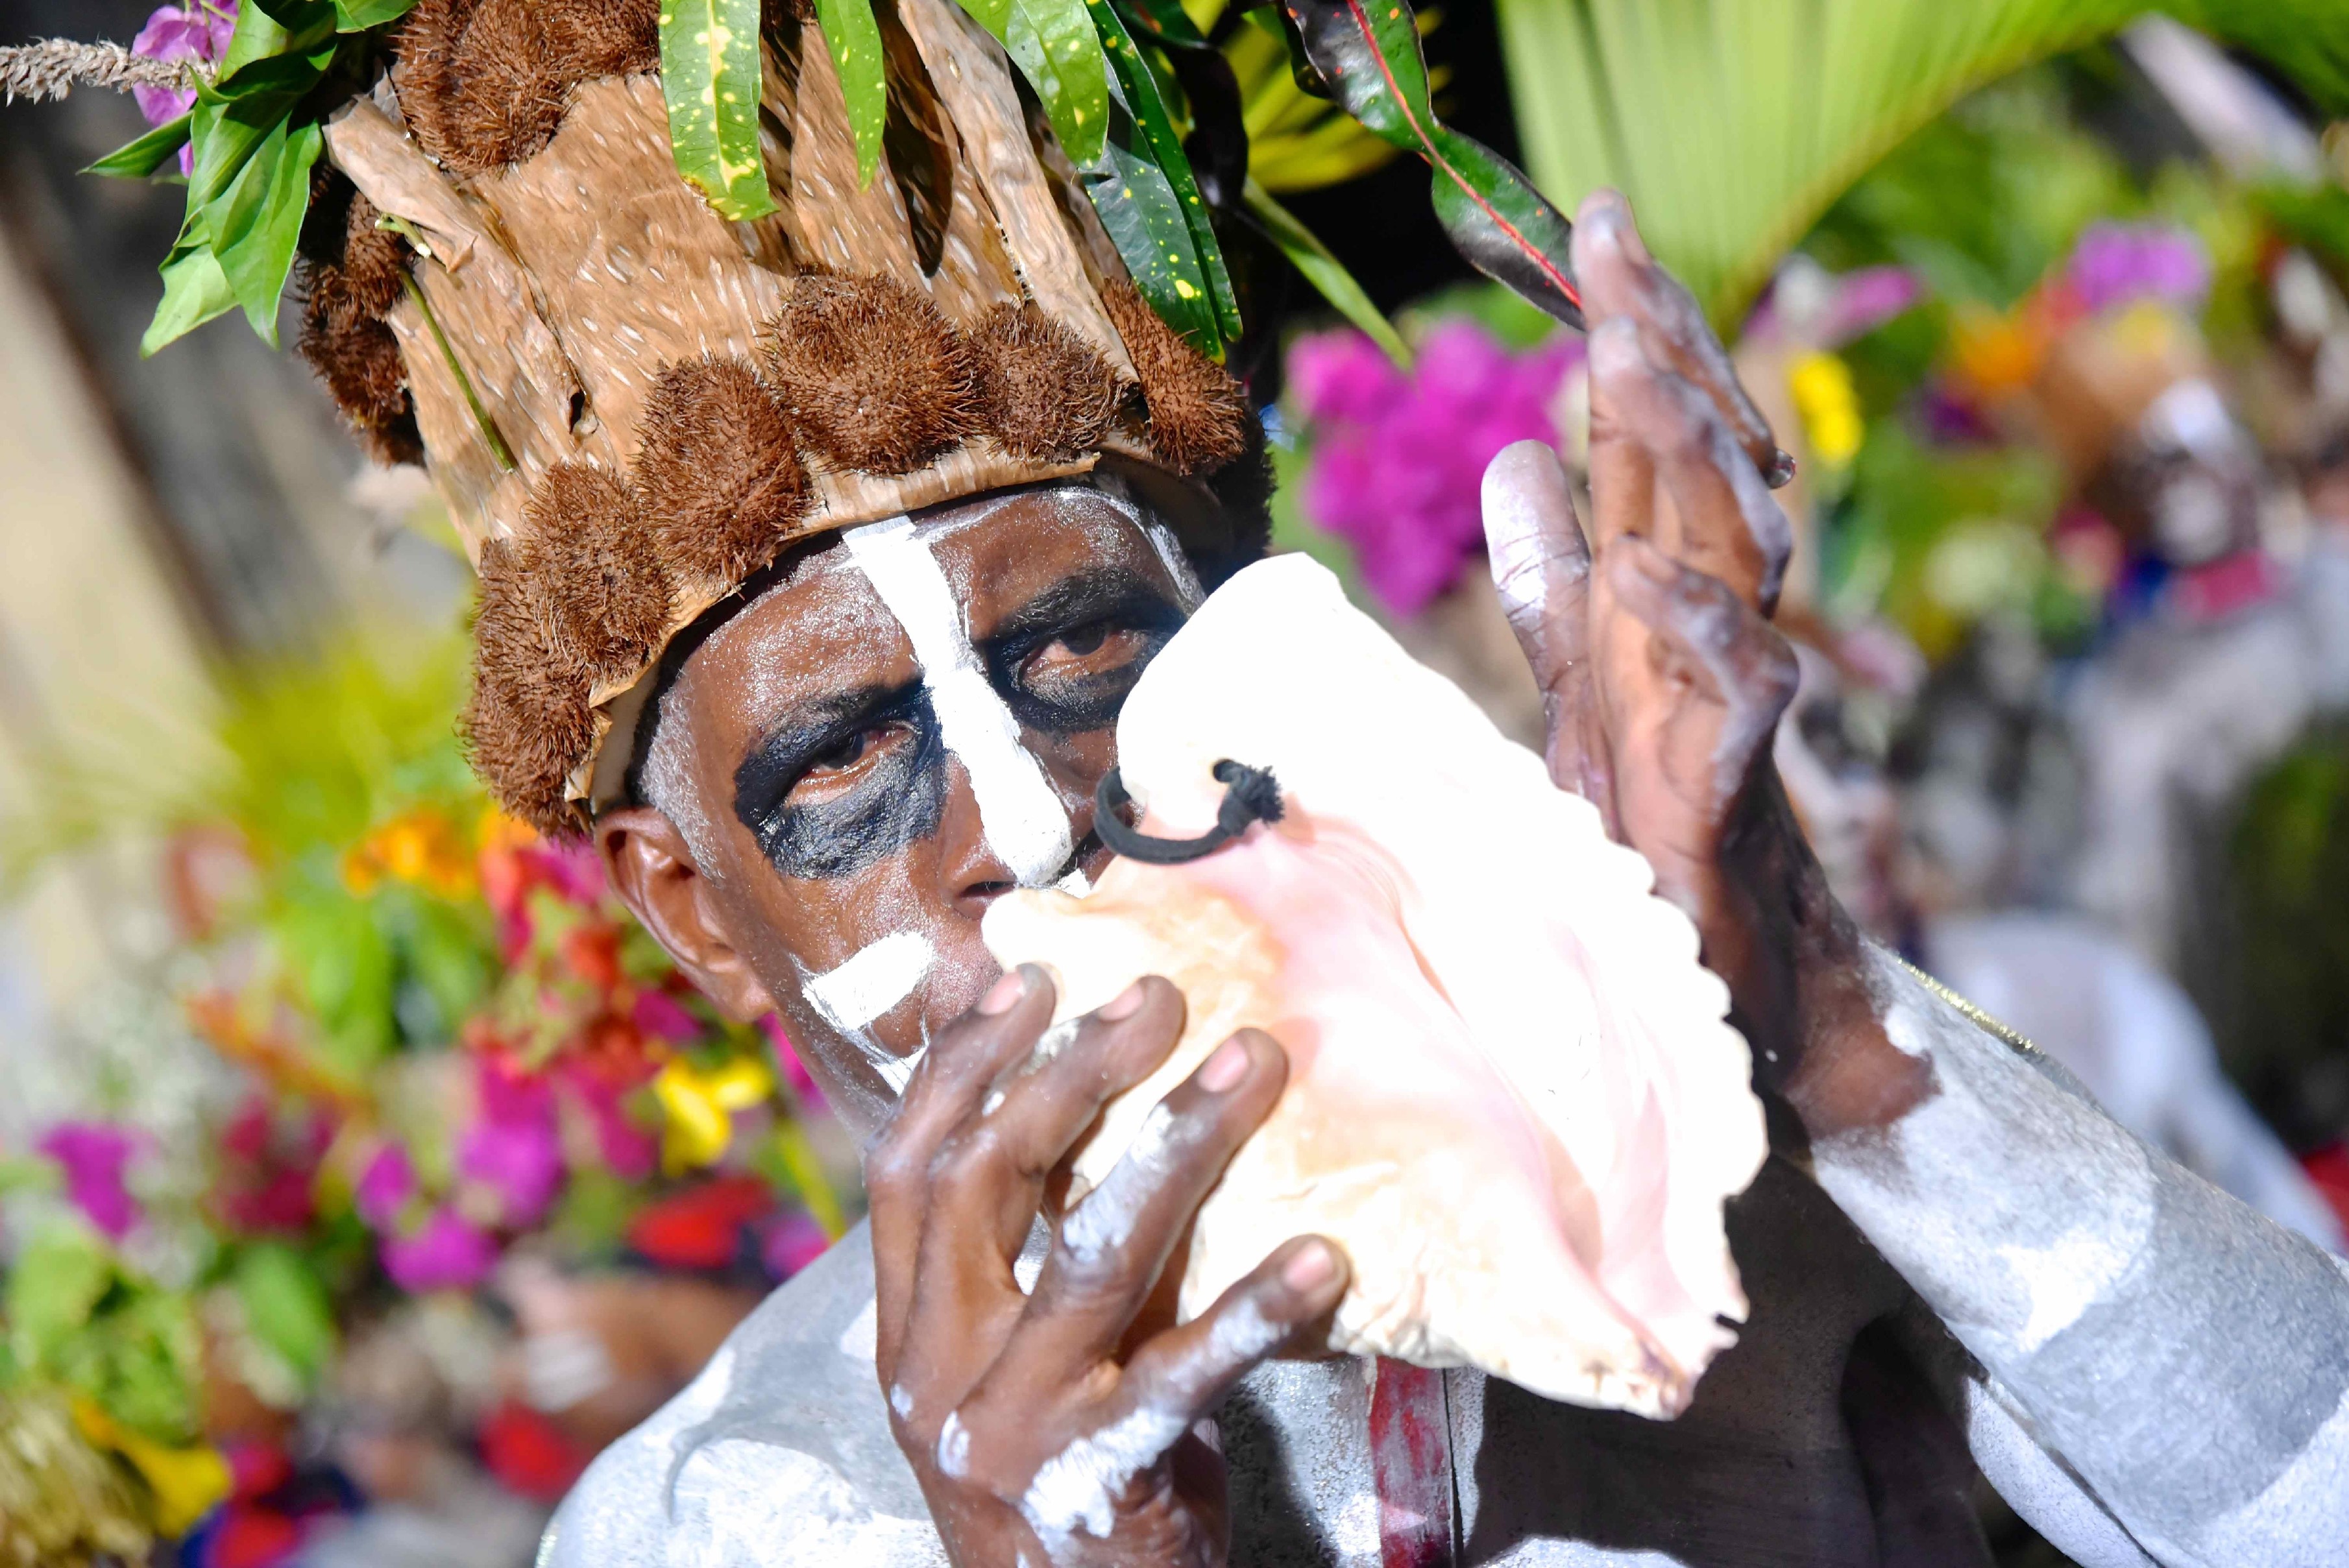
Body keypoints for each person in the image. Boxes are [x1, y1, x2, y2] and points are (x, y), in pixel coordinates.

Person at [11, 5, 2347, 1563]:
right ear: (693, 906)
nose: (1026, 826)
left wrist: (1829, 1026)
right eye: (839, 767)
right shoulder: (726, 1515)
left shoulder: (1738, 1119)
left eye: (1083, 655)